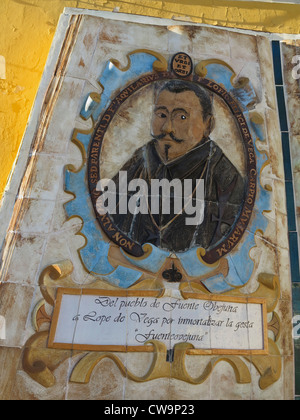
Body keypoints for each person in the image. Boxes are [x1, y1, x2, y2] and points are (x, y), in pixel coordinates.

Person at [109, 80, 245, 253]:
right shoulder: (138, 162)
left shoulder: (225, 177)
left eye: (182, 117)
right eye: (161, 115)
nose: (167, 128)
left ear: (208, 125)